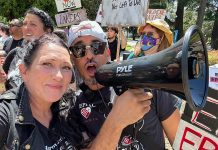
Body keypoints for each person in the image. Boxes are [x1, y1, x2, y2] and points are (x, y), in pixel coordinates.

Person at [0, 33, 152, 150]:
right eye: (47, 64)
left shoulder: (68, 108)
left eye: (66, 67)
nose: (58, 76)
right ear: (24, 71)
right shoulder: (6, 115)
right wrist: (116, 121)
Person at [68, 20, 180, 149]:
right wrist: (116, 120)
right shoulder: (72, 108)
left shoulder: (146, 83)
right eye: (79, 49)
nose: (89, 55)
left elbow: (181, 143)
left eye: (96, 46)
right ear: (72, 60)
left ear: (108, 52)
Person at [3, 7, 54, 89]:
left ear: (47, 31)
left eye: (33, 24)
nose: (26, 28)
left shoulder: (57, 58)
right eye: (24, 24)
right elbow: (4, 84)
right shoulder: (15, 53)